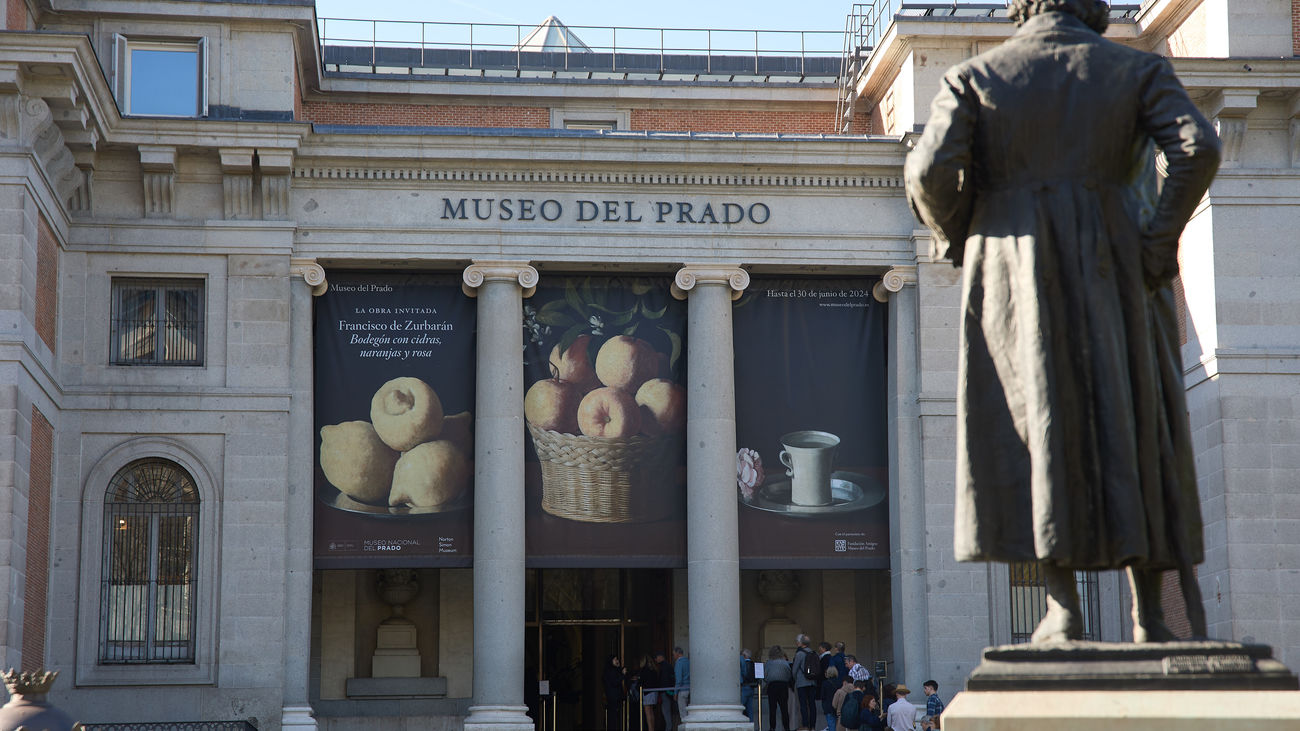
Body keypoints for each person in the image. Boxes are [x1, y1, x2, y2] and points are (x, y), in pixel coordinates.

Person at [903, 0, 1219, 643]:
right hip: (1116, 266)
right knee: (1131, 422)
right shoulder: (1134, 70)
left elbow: (930, 169)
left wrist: (962, 234)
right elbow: (1198, 146)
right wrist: (1158, 244)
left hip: (1014, 272)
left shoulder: (978, 77)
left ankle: (1062, 609)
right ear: (1093, 9)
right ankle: (1151, 615)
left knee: (1033, 424)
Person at [763, 644, 793, 731]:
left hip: (772, 686)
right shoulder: (785, 663)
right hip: (783, 686)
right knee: (784, 708)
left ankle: (772, 727)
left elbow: (765, 676)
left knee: (772, 708)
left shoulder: (769, 663)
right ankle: (786, 727)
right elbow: (788, 675)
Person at [792, 634, 818, 730]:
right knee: (812, 704)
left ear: (801, 643)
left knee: (803, 705)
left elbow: (794, 670)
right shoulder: (814, 653)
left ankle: (805, 725)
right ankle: (813, 726)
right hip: (812, 682)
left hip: (802, 682)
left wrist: (795, 679)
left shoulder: (799, 654)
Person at [604, 655, 627, 731]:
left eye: (617, 659)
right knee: (613, 717)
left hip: (612, 697)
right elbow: (615, 682)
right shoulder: (610, 670)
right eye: (615, 659)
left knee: (613, 717)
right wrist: (623, 675)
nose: (617, 661)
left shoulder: (610, 670)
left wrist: (619, 668)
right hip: (614, 697)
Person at [638, 655, 660, 731]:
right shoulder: (654, 669)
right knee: (652, 712)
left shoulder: (644, 670)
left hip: (647, 693)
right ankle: (652, 729)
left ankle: (650, 729)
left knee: (648, 713)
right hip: (654, 693)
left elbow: (641, 682)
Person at [657, 652, 676, 731]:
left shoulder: (664, 667)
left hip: (666, 693)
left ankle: (668, 729)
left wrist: (664, 692)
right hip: (670, 692)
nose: (655, 660)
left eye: (656, 657)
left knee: (666, 713)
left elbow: (664, 681)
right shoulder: (668, 665)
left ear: (661, 657)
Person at [819, 666, 840, 731]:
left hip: (828, 707)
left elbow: (822, 696)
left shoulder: (825, 683)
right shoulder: (839, 682)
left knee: (831, 726)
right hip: (838, 707)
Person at [673, 646, 690, 723]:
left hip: (682, 690)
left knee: (683, 714)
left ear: (677, 653)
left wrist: (675, 693)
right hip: (690, 689)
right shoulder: (688, 661)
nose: (673, 656)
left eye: (674, 654)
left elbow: (679, 680)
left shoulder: (679, 663)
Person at [740, 648, 757, 723]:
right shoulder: (754, 664)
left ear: (744, 656)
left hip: (744, 687)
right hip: (752, 688)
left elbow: (744, 674)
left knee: (740, 708)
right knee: (750, 709)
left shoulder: (742, 664)